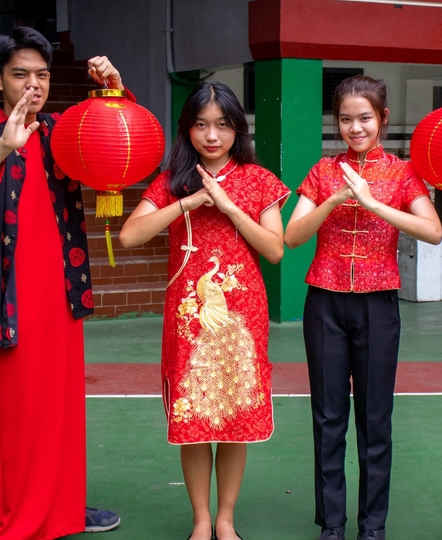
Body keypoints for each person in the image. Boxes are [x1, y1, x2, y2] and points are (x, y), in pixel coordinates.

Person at [0, 27, 122, 539]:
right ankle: (8, 519)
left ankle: (64, 507)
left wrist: (114, 90)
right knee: (14, 415)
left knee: (62, 407)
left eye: (42, 75)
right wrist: (1, 150)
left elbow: (115, 138)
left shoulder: (63, 131)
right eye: (20, 74)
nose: (33, 85)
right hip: (13, 297)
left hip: (64, 292)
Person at [118, 81, 289, 540]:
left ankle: (226, 520)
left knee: (233, 418)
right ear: (187, 129)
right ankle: (199, 522)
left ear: (237, 129)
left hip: (242, 315)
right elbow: (129, 237)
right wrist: (190, 200)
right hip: (187, 316)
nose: (212, 135)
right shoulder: (172, 180)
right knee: (192, 420)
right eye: (200, 125)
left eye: (222, 125)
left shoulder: (258, 180)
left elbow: (275, 250)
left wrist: (232, 208)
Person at [284, 75, 442, 540]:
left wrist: (372, 203)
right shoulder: (322, 171)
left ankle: (373, 526)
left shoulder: (401, 172)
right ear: (337, 122)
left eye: (365, 118)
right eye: (346, 119)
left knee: (376, 418)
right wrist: (335, 197)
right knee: (328, 417)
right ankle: (332, 524)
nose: (356, 128)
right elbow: (293, 237)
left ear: (383, 119)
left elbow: (431, 231)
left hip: (378, 306)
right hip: (325, 304)